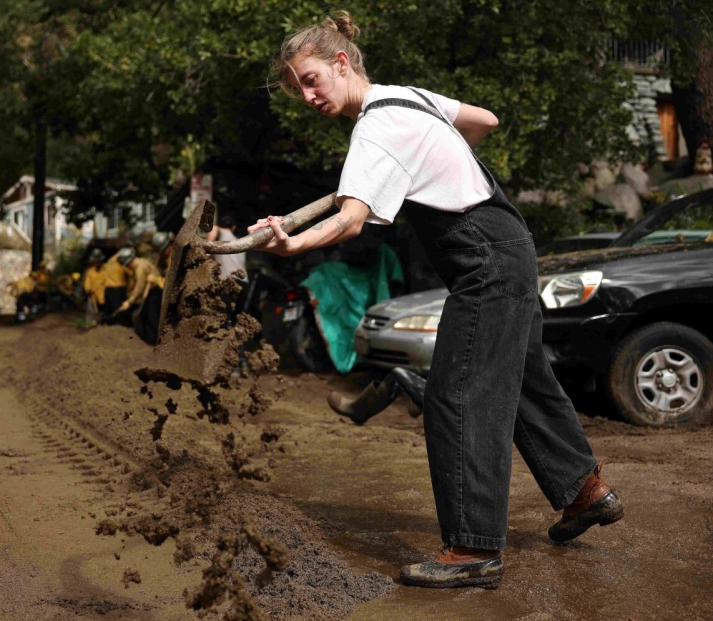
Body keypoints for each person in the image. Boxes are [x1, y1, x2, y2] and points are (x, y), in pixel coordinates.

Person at [250, 11, 623, 590]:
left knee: (459, 395)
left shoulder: (374, 130)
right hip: (510, 242)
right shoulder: (407, 98)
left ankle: (473, 548)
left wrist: (291, 241)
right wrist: (436, 157)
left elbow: (350, 222)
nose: (306, 95)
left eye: (311, 78)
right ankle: (585, 492)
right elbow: (485, 121)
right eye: (297, 88)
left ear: (342, 62)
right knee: (522, 380)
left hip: (485, 263)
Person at [115, 246, 163, 344]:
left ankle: (153, 341)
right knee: (148, 316)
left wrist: (130, 301)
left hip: (154, 292)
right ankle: (150, 340)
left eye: (127, 264)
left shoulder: (139, 267)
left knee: (151, 317)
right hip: (151, 292)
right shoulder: (140, 263)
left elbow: (140, 285)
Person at [205, 215, 248, 281]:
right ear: (233, 227)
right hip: (242, 280)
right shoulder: (240, 242)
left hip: (227, 280)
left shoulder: (217, 230)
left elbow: (208, 244)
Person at [103, 249, 132, 327]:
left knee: (110, 314)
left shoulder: (110, 260)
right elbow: (130, 272)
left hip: (108, 289)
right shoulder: (121, 259)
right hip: (118, 289)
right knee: (121, 314)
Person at [82, 248, 107, 326]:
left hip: (105, 296)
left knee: (105, 313)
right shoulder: (90, 272)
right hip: (94, 297)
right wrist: (88, 289)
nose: (96, 263)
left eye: (98, 261)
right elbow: (87, 283)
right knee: (93, 314)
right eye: (95, 261)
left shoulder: (107, 269)